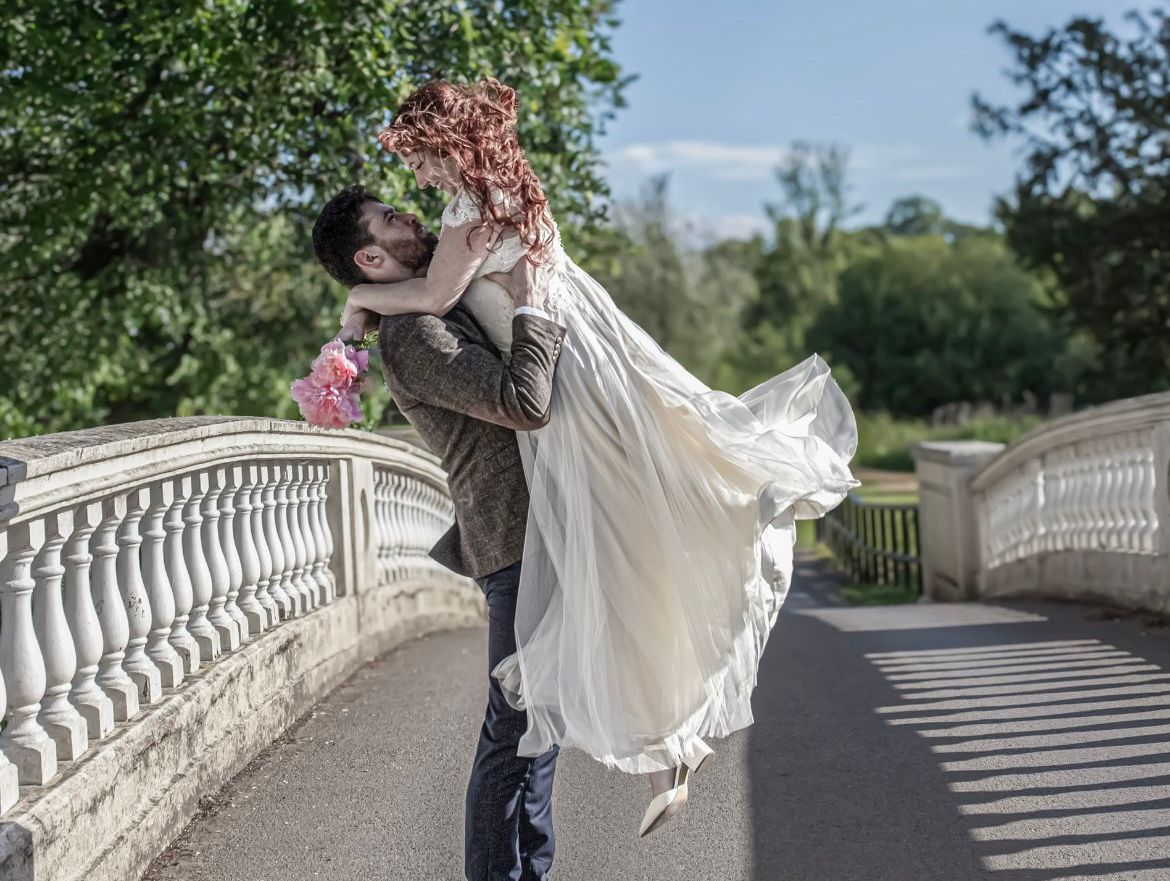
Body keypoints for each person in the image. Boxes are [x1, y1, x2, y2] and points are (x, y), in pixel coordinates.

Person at [344, 77, 862, 837]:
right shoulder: (500, 192)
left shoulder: (471, 214)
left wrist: (358, 305)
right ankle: (668, 745)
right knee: (619, 551)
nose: (415, 179)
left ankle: (666, 740)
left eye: (417, 157)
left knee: (611, 548)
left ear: (444, 142)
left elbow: (431, 296)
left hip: (562, 371)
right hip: (585, 353)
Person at [313, 185, 565, 880]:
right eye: (391, 219)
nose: (410, 216)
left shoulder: (430, 305)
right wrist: (529, 301)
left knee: (538, 728)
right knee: (515, 729)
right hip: (513, 540)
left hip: (535, 535)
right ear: (370, 254)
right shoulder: (415, 335)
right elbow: (526, 401)